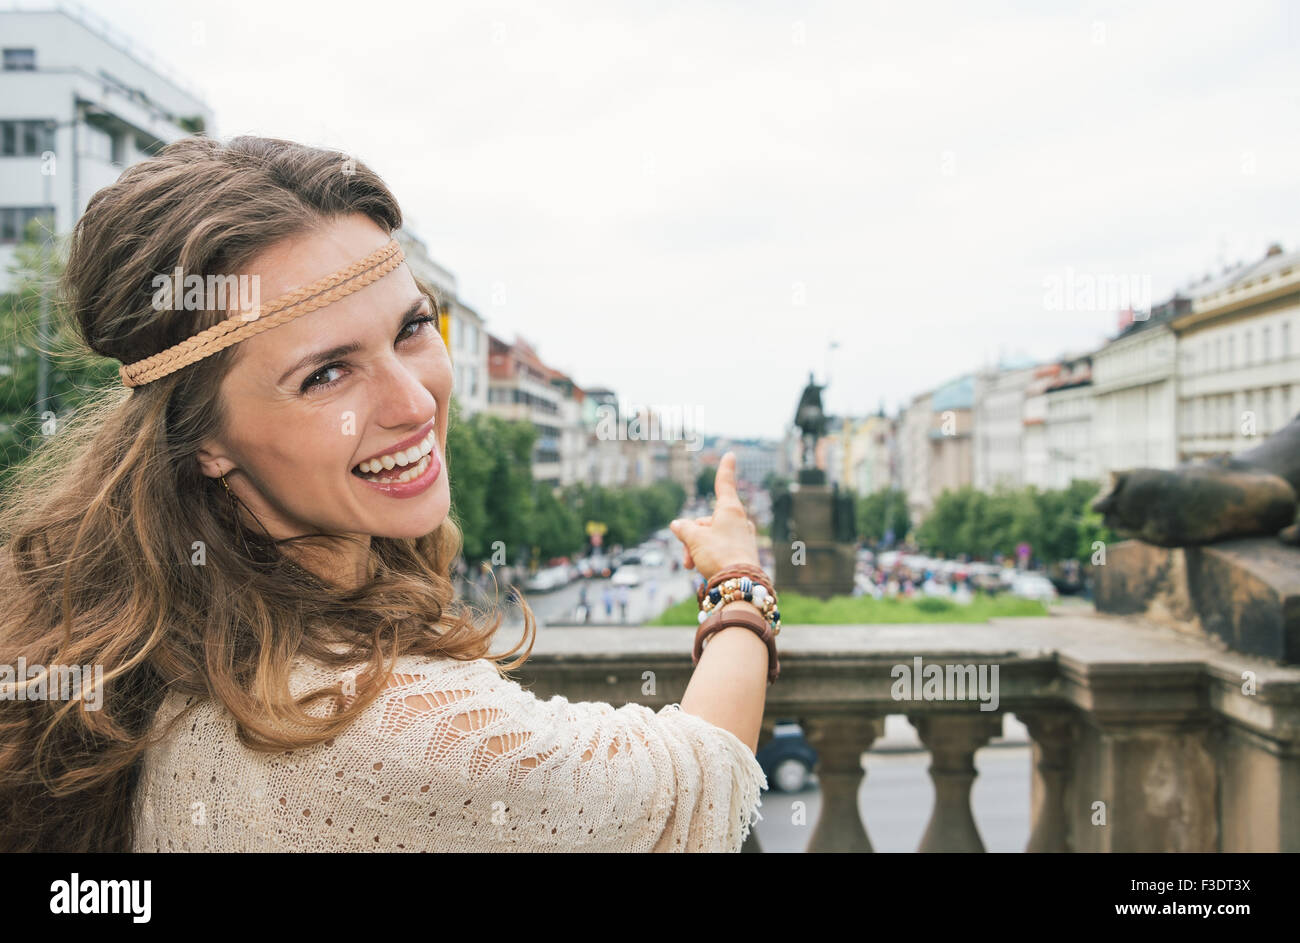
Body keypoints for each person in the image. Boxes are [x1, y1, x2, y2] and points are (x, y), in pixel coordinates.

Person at [0, 136, 772, 852]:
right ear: (205, 438)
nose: (415, 402)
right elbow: (691, 787)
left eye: (410, 328)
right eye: (326, 373)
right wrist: (740, 585)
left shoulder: (174, 632)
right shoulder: (369, 731)